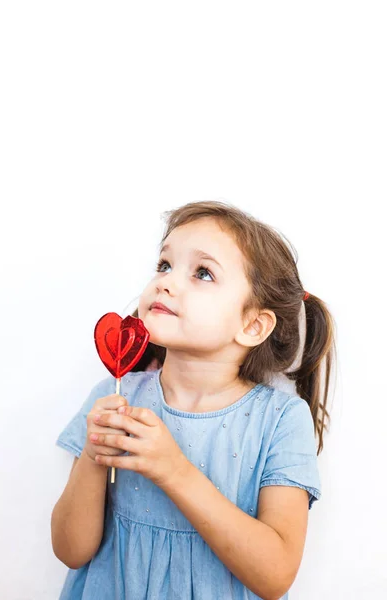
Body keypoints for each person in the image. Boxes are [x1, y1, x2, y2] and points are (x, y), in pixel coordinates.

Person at [52, 200, 336, 600]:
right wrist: (93, 455)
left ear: (252, 324)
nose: (165, 282)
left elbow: (275, 576)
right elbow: (70, 550)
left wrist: (174, 470)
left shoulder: (280, 420)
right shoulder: (113, 398)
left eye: (202, 273)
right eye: (164, 265)